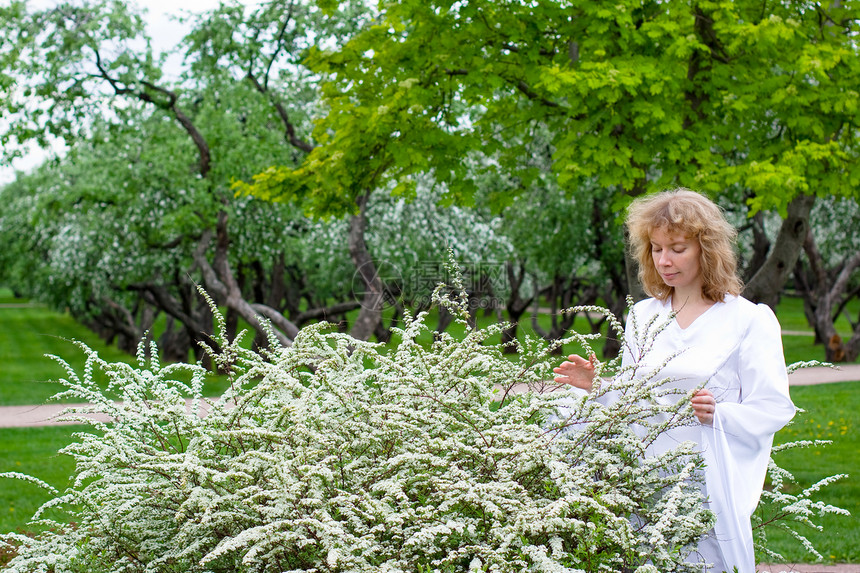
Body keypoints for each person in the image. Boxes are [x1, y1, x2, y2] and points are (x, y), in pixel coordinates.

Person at [553, 188, 796, 572]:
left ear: (706, 248)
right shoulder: (644, 315)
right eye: (655, 248)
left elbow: (774, 406)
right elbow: (635, 401)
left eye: (677, 248)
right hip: (642, 479)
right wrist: (597, 387)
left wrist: (720, 413)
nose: (664, 260)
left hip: (705, 482)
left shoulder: (749, 320)